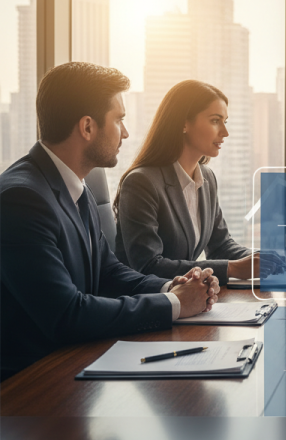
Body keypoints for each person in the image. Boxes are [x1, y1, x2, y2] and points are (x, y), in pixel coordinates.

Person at [0, 63, 220, 381]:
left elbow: (108, 271)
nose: (125, 132)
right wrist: (173, 304)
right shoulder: (22, 199)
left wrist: (172, 286)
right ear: (87, 127)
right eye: (119, 119)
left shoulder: (76, 185)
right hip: (32, 383)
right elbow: (66, 314)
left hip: (76, 361)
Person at [114, 79, 283, 285]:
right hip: (149, 299)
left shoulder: (207, 178)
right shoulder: (141, 183)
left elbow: (221, 246)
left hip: (188, 297)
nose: (225, 132)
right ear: (184, 123)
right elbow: (149, 265)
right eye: (215, 120)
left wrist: (264, 259)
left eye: (225, 121)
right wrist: (234, 268)